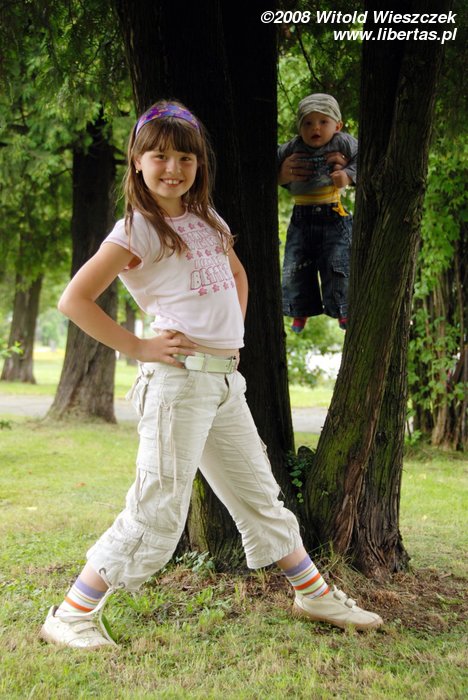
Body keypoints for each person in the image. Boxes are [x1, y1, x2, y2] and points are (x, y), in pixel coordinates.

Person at [39, 100, 382, 650]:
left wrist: (232, 337)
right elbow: (73, 300)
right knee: (157, 507)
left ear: (199, 164)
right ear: (137, 163)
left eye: (185, 158)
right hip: (177, 386)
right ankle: (71, 613)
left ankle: (313, 593)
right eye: (159, 156)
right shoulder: (136, 230)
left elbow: (238, 275)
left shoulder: (207, 219)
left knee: (259, 495)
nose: (172, 168)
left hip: (222, 384)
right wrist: (140, 347)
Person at [278, 93, 357, 332]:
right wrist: (281, 174)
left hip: (333, 213)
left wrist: (348, 176)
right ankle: (299, 310)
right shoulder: (293, 147)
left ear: (338, 126)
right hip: (301, 216)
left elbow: (365, 157)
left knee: (338, 263)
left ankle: (343, 309)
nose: (315, 128)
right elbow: (272, 162)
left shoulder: (342, 143)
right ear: (299, 127)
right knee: (296, 265)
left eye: (323, 122)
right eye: (308, 123)